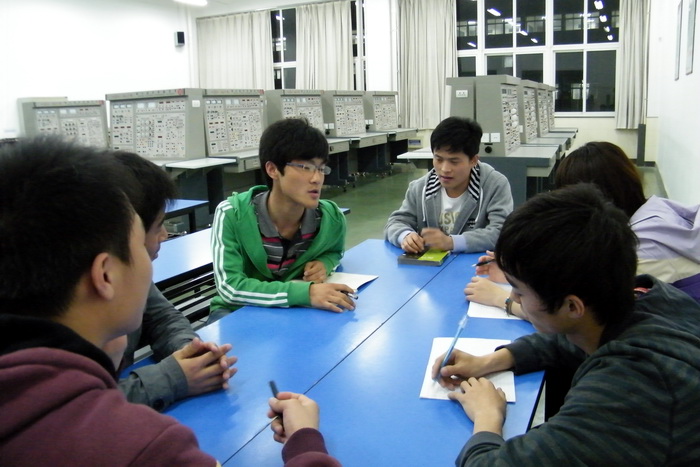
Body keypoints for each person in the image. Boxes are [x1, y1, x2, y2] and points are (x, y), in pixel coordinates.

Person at [0, 137, 330, 466]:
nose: (162, 242)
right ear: (105, 274)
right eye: (139, 246)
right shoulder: (143, 447)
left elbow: (161, 318)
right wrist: (305, 443)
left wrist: (188, 353)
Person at [432, 184, 700, 465]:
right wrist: (489, 361)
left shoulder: (630, 389)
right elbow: (571, 336)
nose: (513, 298)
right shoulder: (646, 297)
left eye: (520, 292)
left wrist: (487, 416)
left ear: (572, 306)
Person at [465, 141, 700, 319]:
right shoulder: (653, 211)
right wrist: (523, 272)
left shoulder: (645, 248)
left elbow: (578, 316)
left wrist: (502, 298)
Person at [113, 151, 237, 411]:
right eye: (158, 225)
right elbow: (75, 405)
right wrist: (173, 377)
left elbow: (162, 318)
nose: (166, 235)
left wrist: (191, 351)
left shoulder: (134, 275)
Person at [209, 118, 354, 322]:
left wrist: (325, 263)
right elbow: (230, 288)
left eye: (321, 168)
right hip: (237, 312)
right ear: (272, 170)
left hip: (294, 311)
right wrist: (305, 293)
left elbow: (334, 252)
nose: (317, 178)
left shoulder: (331, 218)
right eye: (305, 167)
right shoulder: (232, 214)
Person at [384, 116, 513, 254]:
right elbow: (396, 222)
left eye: (454, 161)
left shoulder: (495, 185)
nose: (445, 169)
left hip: (476, 264)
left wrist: (451, 242)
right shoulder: (419, 188)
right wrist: (405, 236)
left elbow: (501, 231)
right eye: (438, 159)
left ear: (473, 160)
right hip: (431, 264)